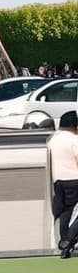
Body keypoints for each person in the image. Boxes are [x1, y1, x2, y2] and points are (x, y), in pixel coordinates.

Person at [48, 110, 78, 259]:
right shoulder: (74, 140)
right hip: (74, 180)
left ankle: (64, 240)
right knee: (76, 214)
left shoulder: (53, 140)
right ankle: (68, 241)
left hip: (58, 181)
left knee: (66, 211)